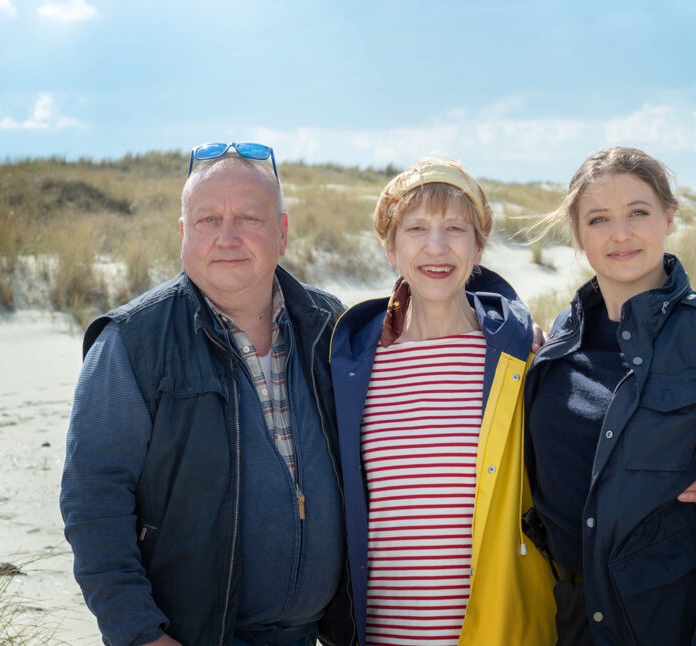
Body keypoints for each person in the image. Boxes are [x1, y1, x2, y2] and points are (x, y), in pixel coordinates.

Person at [60, 142, 355, 646]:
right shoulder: (133, 343)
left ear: (281, 232)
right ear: (182, 234)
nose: (228, 237)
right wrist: (139, 634)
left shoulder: (330, 326)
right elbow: (94, 502)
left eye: (249, 218)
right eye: (207, 220)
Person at [525, 146, 696, 645]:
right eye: (599, 219)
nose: (620, 234)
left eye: (638, 213)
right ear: (579, 235)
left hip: (671, 618)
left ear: (669, 217)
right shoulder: (562, 335)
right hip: (570, 616)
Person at [329, 159, 557, 645]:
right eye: (416, 229)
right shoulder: (352, 365)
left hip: (499, 631)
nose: (437, 247)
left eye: (455, 228)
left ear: (478, 247)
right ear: (390, 247)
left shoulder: (522, 358)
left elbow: (586, 452)